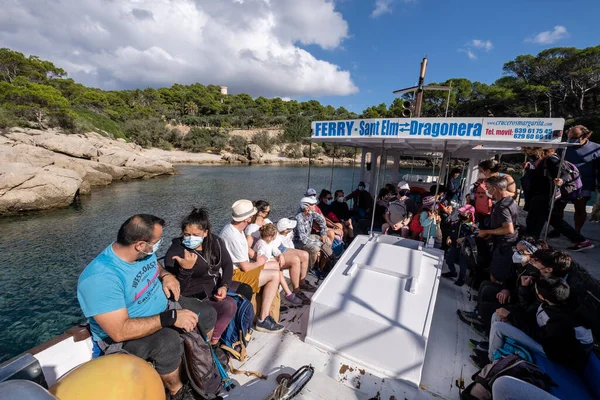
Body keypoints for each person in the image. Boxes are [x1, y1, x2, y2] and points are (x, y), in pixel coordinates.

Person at [77, 214, 217, 400]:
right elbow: (119, 331)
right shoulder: (100, 278)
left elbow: (155, 265)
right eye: (157, 242)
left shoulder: (141, 253)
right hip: (124, 338)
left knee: (207, 313)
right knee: (167, 341)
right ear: (140, 245)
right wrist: (171, 317)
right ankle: (178, 391)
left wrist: (166, 275)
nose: (159, 245)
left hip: (164, 307)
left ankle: (199, 363)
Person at [481, 277, 593, 372]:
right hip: (548, 338)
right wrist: (510, 316)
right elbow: (531, 318)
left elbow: (539, 335)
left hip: (555, 352)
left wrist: (511, 317)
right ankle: (494, 353)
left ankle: (491, 364)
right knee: (497, 315)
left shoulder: (560, 320)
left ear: (541, 296)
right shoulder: (553, 302)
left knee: (498, 327)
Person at [163, 208, 238, 346]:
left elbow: (227, 264)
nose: (190, 238)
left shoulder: (215, 242)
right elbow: (178, 291)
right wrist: (185, 269)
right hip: (192, 294)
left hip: (215, 285)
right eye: (187, 234)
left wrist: (224, 285)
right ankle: (214, 343)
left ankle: (231, 334)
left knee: (245, 289)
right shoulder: (176, 252)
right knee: (229, 305)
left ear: (205, 233)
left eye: (196, 234)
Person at [220, 200, 284, 333]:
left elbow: (245, 252)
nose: (251, 218)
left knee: (274, 265)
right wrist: (259, 262)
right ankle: (263, 318)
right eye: (250, 216)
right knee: (275, 275)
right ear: (247, 218)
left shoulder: (234, 229)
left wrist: (257, 258)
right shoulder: (234, 236)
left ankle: (271, 305)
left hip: (236, 268)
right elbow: (246, 267)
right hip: (234, 274)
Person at [525, 147, 593, 251]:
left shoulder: (551, 159)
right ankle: (581, 241)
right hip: (542, 194)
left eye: (528, 150)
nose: (527, 152)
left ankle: (531, 242)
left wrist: (561, 180)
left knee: (536, 219)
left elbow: (564, 174)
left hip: (545, 194)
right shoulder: (543, 159)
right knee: (552, 219)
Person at [254, 223, 306, 306]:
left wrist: (280, 255)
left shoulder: (268, 242)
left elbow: (275, 250)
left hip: (269, 263)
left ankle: (289, 293)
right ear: (271, 236)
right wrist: (272, 259)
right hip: (261, 266)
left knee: (278, 269)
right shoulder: (261, 245)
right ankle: (288, 294)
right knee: (279, 273)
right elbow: (260, 259)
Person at [563, 125, 600, 233]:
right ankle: (558, 228)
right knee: (558, 207)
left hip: (584, 184)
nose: (572, 141)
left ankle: (577, 231)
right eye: (570, 138)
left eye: (575, 138)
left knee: (580, 208)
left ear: (586, 136)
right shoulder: (563, 147)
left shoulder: (596, 149)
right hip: (563, 184)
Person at [273, 218, 314, 293]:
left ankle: (302, 282)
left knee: (305, 254)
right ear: (285, 230)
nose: (292, 229)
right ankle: (296, 290)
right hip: (278, 252)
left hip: (283, 248)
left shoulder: (288, 233)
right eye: (290, 228)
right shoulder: (276, 239)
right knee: (295, 260)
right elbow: (275, 250)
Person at [294, 196, 333, 270]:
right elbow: (303, 240)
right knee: (315, 249)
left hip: (308, 237)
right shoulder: (299, 218)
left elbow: (322, 220)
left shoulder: (311, 213)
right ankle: (311, 268)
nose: (315, 205)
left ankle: (322, 264)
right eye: (312, 204)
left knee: (328, 241)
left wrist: (323, 233)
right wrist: (319, 243)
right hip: (299, 241)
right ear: (306, 207)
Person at [441, 204, 476, 286]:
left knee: (463, 265)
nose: (461, 214)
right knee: (449, 259)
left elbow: (474, 235)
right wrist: (449, 237)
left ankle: (461, 279)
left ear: (470, 214)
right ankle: (453, 272)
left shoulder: (472, 225)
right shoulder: (457, 222)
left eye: (463, 213)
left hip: (464, 249)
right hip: (454, 245)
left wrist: (463, 239)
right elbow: (452, 230)